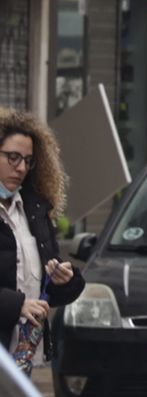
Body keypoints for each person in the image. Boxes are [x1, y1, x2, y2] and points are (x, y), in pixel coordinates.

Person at [0, 110, 83, 370]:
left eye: (28, 160)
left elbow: (46, 288)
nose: (22, 167)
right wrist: (18, 305)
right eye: (13, 157)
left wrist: (66, 280)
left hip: (23, 357)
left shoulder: (34, 210)